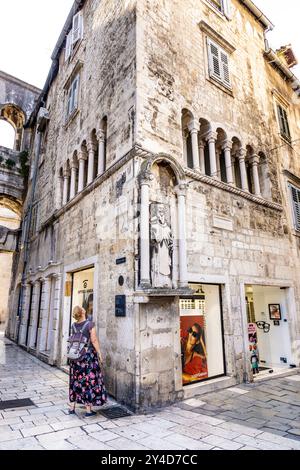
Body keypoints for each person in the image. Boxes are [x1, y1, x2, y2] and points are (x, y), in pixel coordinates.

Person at [68, 306, 107, 417]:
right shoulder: (90, 324)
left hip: (76, 357)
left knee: (75, 381)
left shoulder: (74, 326)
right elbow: (94, 340)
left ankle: (72, 407)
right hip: (87, 357)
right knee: (88, 381)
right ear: (82, 312)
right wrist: (99, 353)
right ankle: (88, 410)